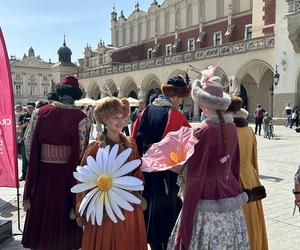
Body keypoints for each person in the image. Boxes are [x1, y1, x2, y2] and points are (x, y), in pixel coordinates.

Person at [164, 67, 249, 249]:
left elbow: (196, 176)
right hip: (231, 200)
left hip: (206, 201)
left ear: (203, 104)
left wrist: (176, 167)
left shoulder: (203, 131)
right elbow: (234, 166)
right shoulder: (232, 128)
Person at [21, 76, 91, 250]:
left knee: (43, 209)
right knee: (62, 211)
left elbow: (28, 143)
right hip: (67, 174)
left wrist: (39, 162)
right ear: (75, 95)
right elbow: (83, 151)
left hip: (43, 172)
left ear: (60, 93)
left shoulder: (40, 112)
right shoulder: (82, 118)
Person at [76, 97, 147, 250]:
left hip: (130, 206)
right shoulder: (96, 148)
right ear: (104, 120)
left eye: (123, 117)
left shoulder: (131, 144)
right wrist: (82, 209)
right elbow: (83, 180)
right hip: (104, 208)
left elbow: (139, 173)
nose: (121, 121)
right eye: (115, 117)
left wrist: (134, 185)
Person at [132, 74, 191, 250]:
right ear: (175, 95)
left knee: (149, 214)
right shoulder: (175, 116)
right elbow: (185, 151)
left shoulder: (144, 112)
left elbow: (134, 140)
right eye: (181, 97)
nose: (181, 102)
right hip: (166, 176)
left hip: (144, 173)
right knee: (167, 220)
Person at [227, 96, 268, 250]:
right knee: (253, 222)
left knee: (241, 223)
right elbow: (253, 159)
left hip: (236, 180)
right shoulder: (249, 130)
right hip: (251, 178)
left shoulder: (229, 131)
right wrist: (255, 178)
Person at [18, 102, 36, 181]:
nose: (30, 109)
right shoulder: (22, 116)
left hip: (34, 140)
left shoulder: (36, 115)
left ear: (34, 108)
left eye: (31, 107)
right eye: (28, 107)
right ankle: (24, 174)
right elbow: (19, 127)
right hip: (24, 140)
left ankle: (31, 174)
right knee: (24, 158)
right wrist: (27, 124)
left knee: (33, 158)